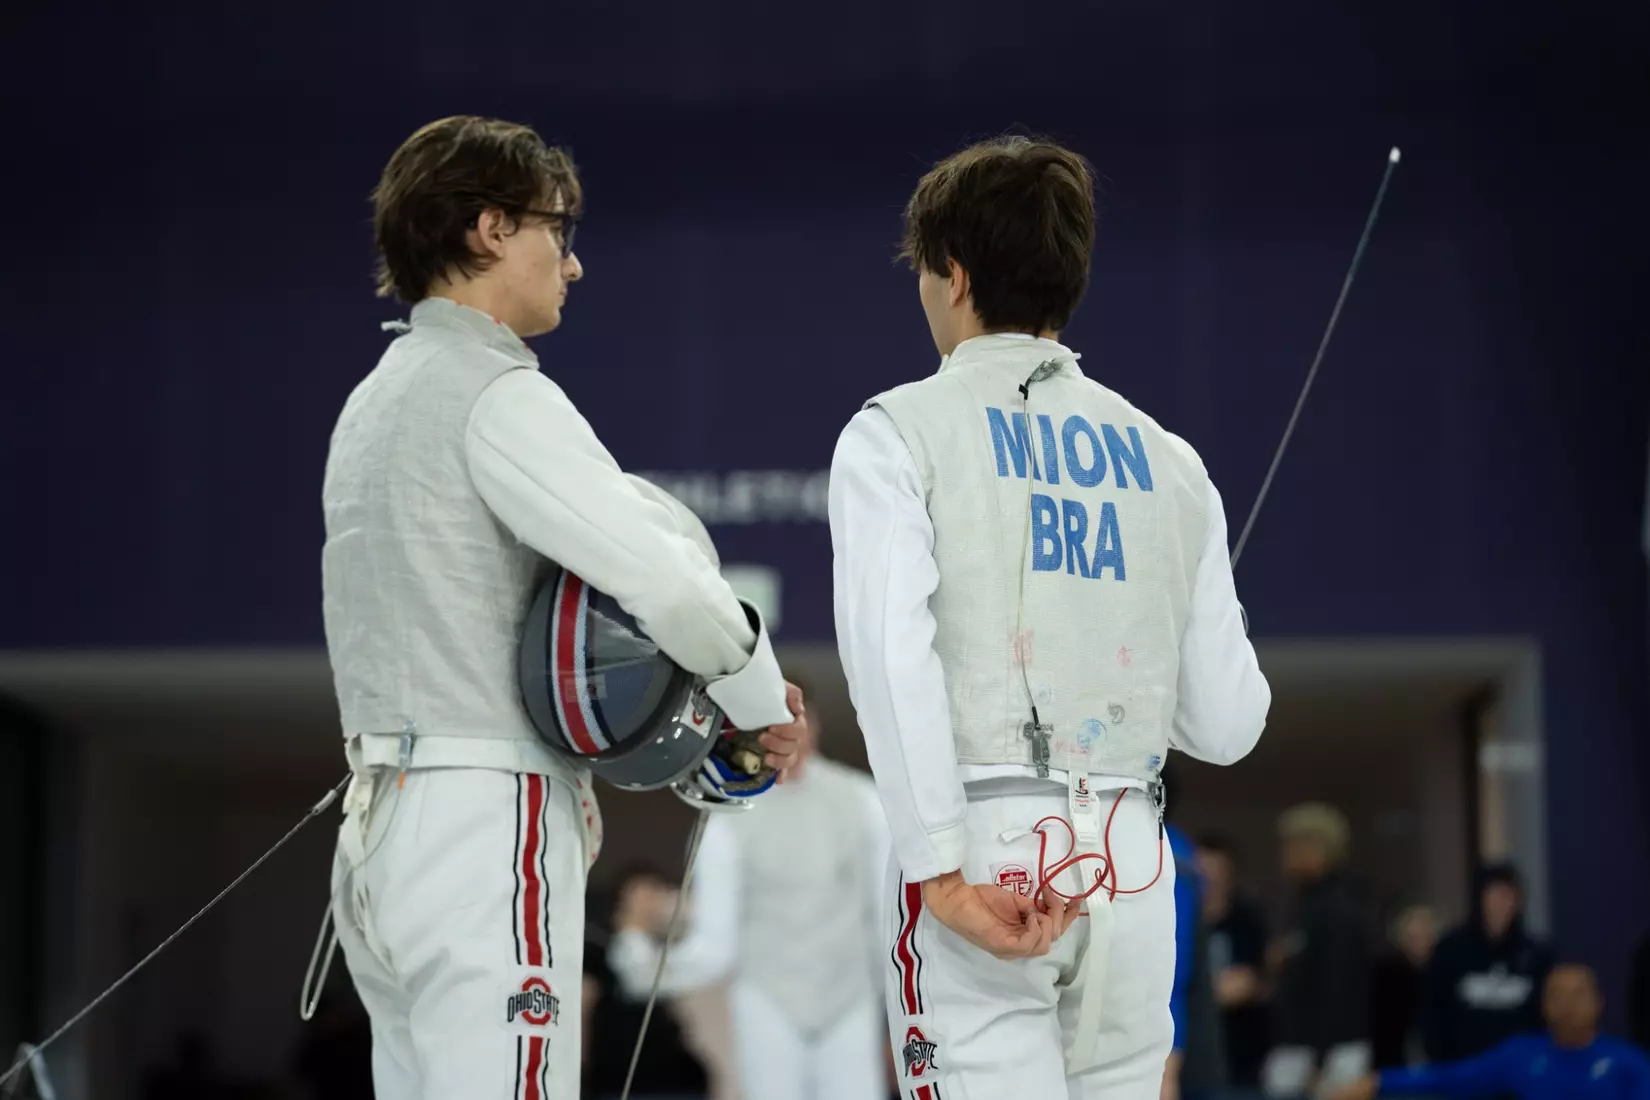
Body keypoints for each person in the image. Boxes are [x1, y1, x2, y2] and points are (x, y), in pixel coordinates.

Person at [318, 115, 807, 1099]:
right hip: (481, 823)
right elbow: (662, 576)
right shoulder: (492, 389)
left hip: (379, 833)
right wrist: (757, 703)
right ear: (492, 228)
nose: (572, 266)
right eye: (560, 232)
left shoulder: (373, 399)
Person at [828, 134, 1271, 1100]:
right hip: (1133, 867)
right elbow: (1228, 726)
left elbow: (888, 657)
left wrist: (938, 869)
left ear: (952, 272)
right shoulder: (1172, 459)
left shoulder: (896, 430)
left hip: (982, 861)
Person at [606, 690, 893, 1100]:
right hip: (767, 997)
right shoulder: (726, 817)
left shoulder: (866, 802)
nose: (789, 734)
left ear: (813, 723)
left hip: (852, 997)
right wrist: (637, 960)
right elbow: (714, 946)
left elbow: (889, 921)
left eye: (796, 720)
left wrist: (900, 1017)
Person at [1331, 964, 1650, 1100]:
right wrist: (1380, 1081)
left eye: (1578, 994)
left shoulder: (1629, 1062)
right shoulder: (1521, 1055)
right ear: (1543, 1005)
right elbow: (1450, 1076)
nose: (1567, 1004)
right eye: (1556, 995)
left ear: (1598, 1002)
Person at [1267, 802, 1375, 1094]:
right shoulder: (1302, 903)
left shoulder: (1340, 908)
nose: (1284, 856)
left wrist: (1320, 1058)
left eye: (1291, 846)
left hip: (1333, 1052)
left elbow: (1338, 987)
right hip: (1302, 1047)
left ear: (1316, 848)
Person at [1422, 862, 1555, 1066]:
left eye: (1509, 895)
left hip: (1519, 1072)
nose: (1501, 903)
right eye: (1494, 895)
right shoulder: (1450, 950)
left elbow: (1546, 1015)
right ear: (1480, 898)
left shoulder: (1536, 955)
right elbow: (1433, 1013)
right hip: (1464, 1070)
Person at [1197, 833, 1272, 1090]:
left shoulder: (1247, 919)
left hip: (1243, 1048)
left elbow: (1253, 980)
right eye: (1203, 873)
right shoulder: (1178, 919)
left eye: (1217, 872)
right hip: (1194, 1047)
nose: (1210, 880)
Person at [1163, 819, 1227, 1100]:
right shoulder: (1178, 847)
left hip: (1176, 1035)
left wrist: (1169, 1056)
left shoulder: (1168, 849)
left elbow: (1175, 966)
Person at [1370, 904, 1439, 1069]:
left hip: (1436, 1062)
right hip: (1393, 1061)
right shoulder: (1386, 975)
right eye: (1413, 937)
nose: (1419, 943)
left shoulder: (1442, 974)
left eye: (1424, 935)